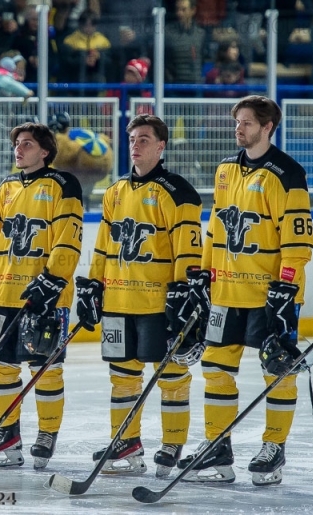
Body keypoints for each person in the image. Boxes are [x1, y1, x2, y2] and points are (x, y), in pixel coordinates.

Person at [177, 95, 313, 486]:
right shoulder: (224, 170)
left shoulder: (288, 173)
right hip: (226, 292)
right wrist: (203, 275)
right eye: (237, 122)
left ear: (268, 127)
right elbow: (216, 229)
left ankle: (274, 447)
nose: (239, 128)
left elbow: (298, 240)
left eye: (248, 123)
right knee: (215, 369)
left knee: (277, 370)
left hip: (271, 294)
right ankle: (216, 448)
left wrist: (286, 287)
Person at [77, 114, 203, 477]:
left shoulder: (178, 191)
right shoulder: (115, 191)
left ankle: (173, 442)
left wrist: (183, 293)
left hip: (157, 303)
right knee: (123, 376)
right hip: (118, 301)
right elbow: (103, 246)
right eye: (132, 138)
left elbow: (188, 250)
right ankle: (127, 440)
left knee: (171, 375)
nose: (136, 144)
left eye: (144, 139)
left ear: (161, 146)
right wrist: (93, 284)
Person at [0, 122, 83, 469]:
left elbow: (69, 236)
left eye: (28, 144)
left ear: (45, 151)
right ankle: (7, 433)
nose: (19, 149)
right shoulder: (6, 186)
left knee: (45, 368)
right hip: (5, 291)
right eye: (17, 143)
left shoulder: (63, 184)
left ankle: (47, 434)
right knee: (0, 367)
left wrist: (52, 280)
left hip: (46, 296)